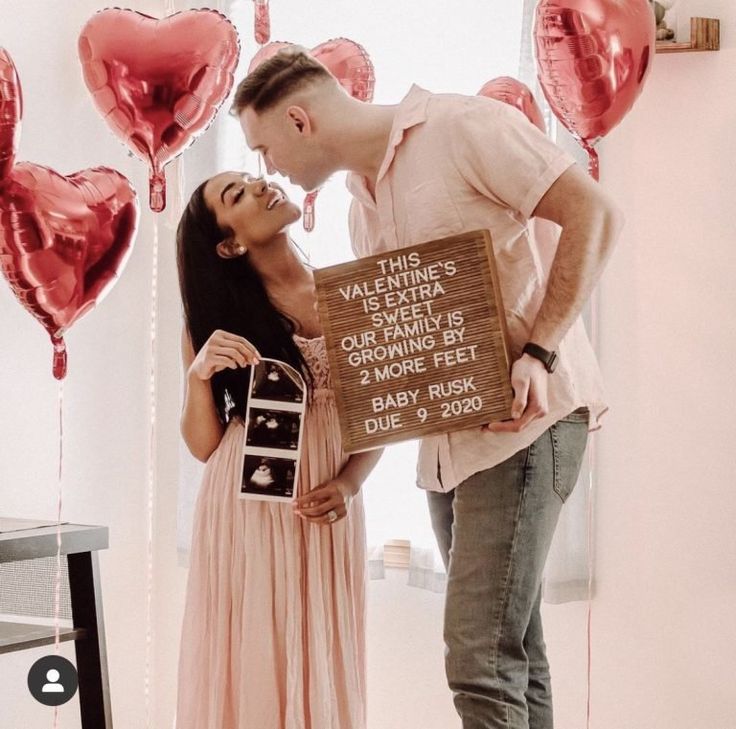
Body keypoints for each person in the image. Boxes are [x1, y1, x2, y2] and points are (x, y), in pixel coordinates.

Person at [232, 48, 624, 729]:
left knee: (478, 660)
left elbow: (594, 212)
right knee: (513, 651)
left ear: (299, 120)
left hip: (526, 426)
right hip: (448, 449)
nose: (271, 168)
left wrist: (539, 350)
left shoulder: (463, 128)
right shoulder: (360, 210)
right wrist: (356, 476)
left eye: (265, 148)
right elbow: (405, 356)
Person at [175, 171, 382, 729]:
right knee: (256, 650)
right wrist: (198, 380)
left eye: (252, 178)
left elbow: (378, 413)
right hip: (245, 510)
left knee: (320, 644)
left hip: (327, 500)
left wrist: (350, 482)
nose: (261, 185)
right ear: (230, 243)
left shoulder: (349, 291)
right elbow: (203, 446)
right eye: (236, 195)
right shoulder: (217, 315)